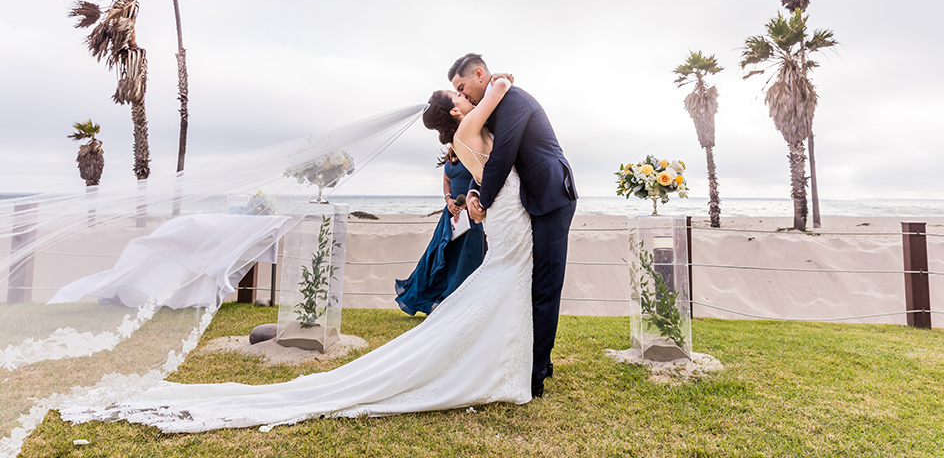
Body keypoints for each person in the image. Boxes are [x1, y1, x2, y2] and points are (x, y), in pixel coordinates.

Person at [59, 76, 534, 432]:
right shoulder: (467, 125)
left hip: (506, 213)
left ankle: (503, 361)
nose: (464, 97)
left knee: (500, 283)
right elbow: (500, 88)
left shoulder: (461, 133)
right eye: (458, 97)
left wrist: (475, 195)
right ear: (454, 112)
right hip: (510, 214)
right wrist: (496, 86)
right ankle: (498, 365)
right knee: (500, 282)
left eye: (462, 93)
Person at [449, 53, 577, 399]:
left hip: (552, 197)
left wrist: (483, 202)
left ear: (479, 74)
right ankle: (538, 360)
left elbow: (504, 155)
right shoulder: (497, 102)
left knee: (546, 285)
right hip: (529, 201)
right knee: (532, 282)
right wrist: (475, 191)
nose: (465, 95)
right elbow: (488, 161)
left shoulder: (514, 100)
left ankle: (536, 372)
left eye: (463, 87)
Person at [394, 148, 485, 315]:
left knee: (464, 260)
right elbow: (446, 180)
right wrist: (449, 199)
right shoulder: (451, 155)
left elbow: (481, 179)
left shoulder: (471, 151)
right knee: (439, 255)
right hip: (451, 214)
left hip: (470, 213)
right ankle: (431, 298)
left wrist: (466, 203)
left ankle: (454, 302)